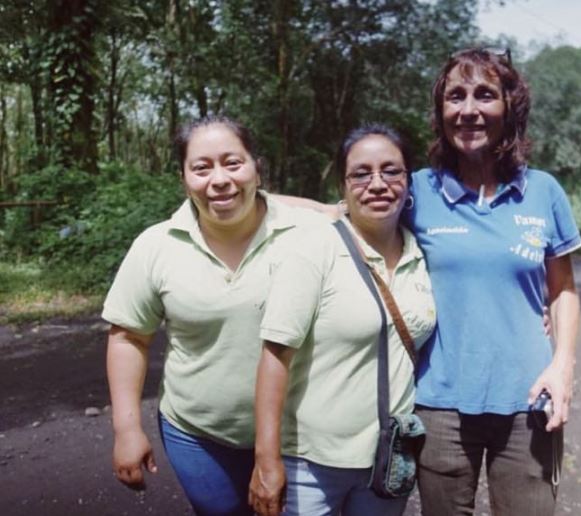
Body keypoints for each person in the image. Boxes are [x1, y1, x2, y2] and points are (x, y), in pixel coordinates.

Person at [103, 115, 325, 515]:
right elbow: (128, 337)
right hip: (198, 435)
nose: (219, 179)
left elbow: (361, 211)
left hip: (300, 434)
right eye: (201, 168)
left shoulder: (310, 233)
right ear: (183, 179)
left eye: (233, 163)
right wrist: (127, 428)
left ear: (257, 168)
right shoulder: (156, 245)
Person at [406, 48, 581, 516]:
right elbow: (342, 215)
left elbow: (563, 290)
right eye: (455, 97)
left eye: (485, 95)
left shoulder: (543, 191)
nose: (469, 110)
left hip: (530, 398)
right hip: (439, 401)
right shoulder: (416, 191)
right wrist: (252, 200)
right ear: (440, 111)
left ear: (510, 107)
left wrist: (562, 365)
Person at [248, 125, 436, 516]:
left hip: (387, 459)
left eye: (391, 171)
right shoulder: (315, 248)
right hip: (311, 464)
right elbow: (274, 357)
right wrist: (266, 461)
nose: (378, 184)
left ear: (409, 181)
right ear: (343, 186)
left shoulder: (421, 254)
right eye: (361, 174)